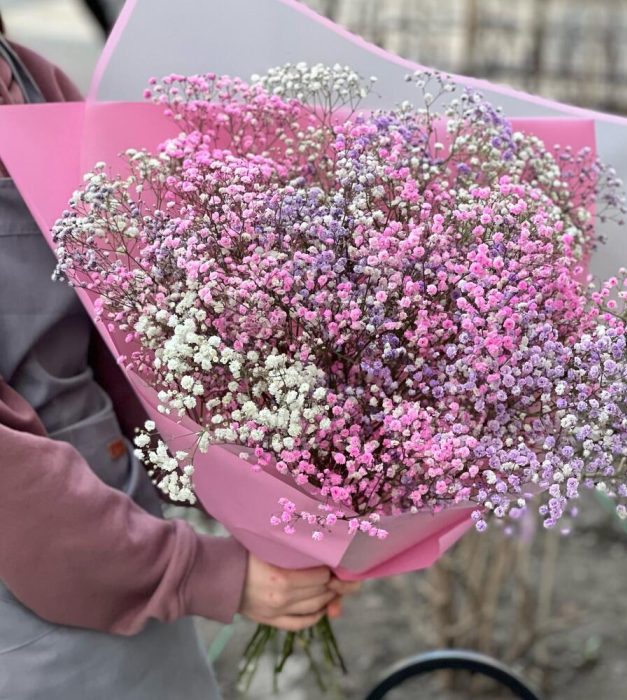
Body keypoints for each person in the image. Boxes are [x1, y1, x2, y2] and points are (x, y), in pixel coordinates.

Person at [0, 15, 358, 699]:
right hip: (38, 582)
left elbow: (118, 330)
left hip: (122, 530)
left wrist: (269, 480)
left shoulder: (30, 78)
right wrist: (206, 574)